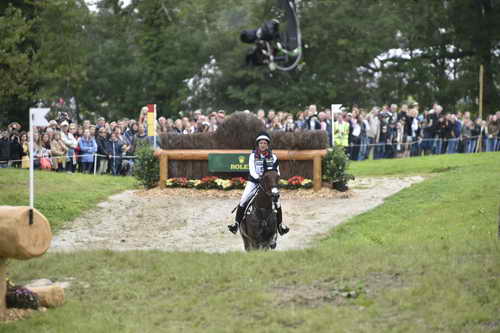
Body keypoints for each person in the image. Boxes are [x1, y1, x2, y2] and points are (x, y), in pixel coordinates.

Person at [228, 132, 289, 235]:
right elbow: (252, 170)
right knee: (243, 200)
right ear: (258, 144)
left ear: (268, 144)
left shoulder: (273, 157)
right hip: (254, 182)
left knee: (277, 202)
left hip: (269, 183)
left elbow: (277, 171)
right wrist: (259, 179)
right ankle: (236, 225)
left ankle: (280, 226)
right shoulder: (253, 156)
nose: (263, 145)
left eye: (265, 143)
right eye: (261, 143)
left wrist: (273, 180)